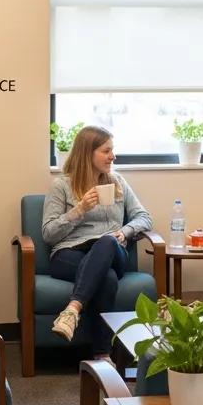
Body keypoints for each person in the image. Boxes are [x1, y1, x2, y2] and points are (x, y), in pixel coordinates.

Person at [42, 125, 152, 358]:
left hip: (111, 250)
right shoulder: (61, 186)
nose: (113, 156)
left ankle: (72, 310)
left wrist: (124, 232)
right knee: (107, 278)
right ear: (87, 153)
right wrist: (79, 210)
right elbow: (49, 234)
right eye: (106, 151)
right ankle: (102, 355)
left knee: (107, 242)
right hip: (69, 253)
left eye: (112, 150)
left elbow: (144, 217)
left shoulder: (118, 182)